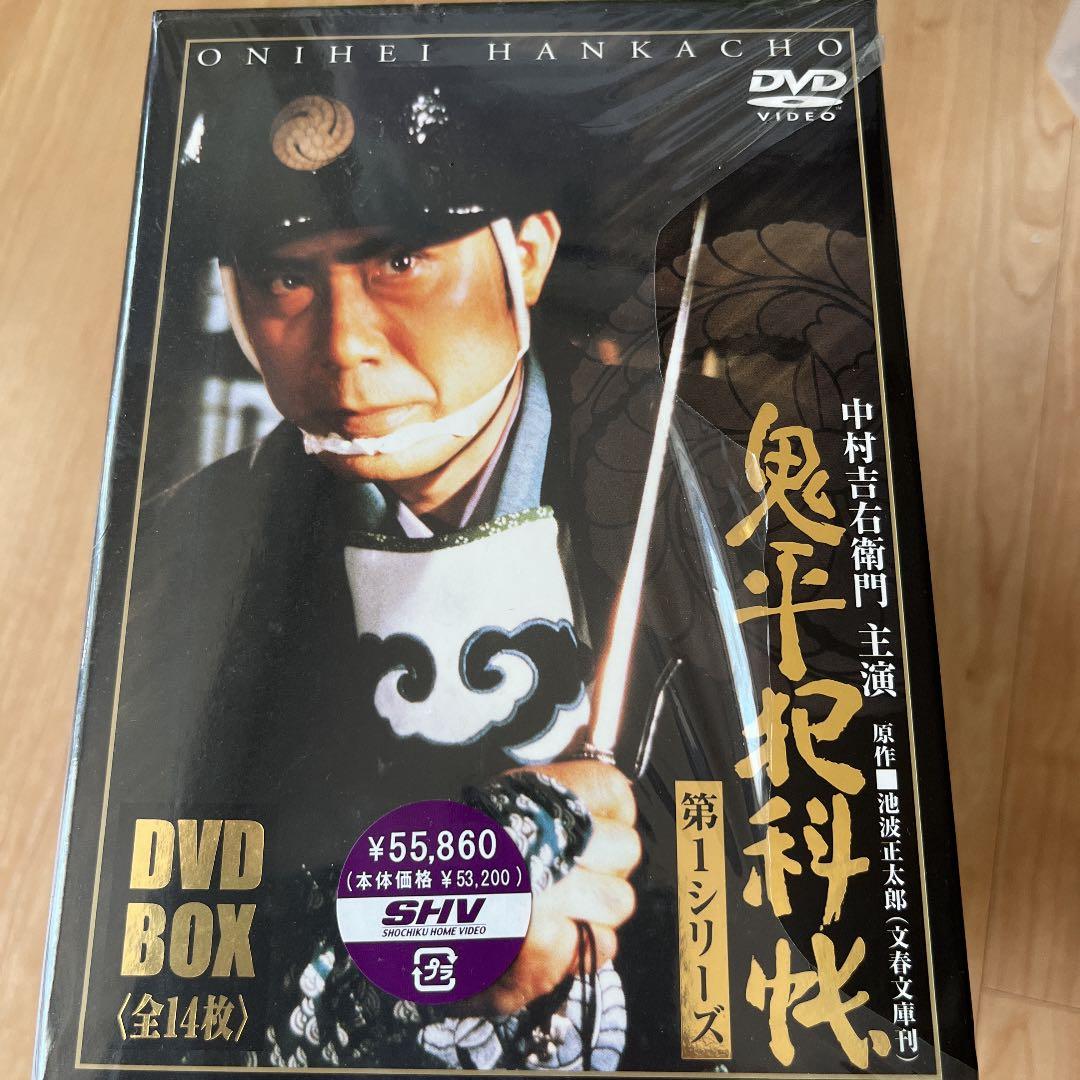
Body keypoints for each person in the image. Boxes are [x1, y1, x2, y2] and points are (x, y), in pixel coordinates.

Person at [116, 70, 766, 1070]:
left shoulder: (715, 481)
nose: (345, 348)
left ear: (528, 252)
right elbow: (153, 935)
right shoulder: (186, 547)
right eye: (284, 279)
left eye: (401, 260)